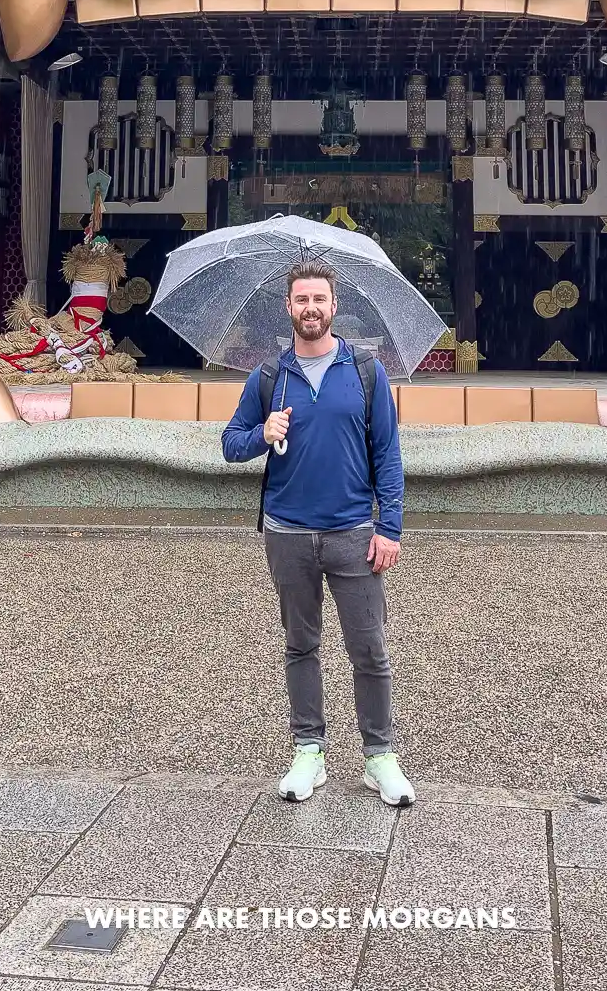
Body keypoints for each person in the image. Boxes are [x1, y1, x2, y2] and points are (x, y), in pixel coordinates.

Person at [221, 261, 413, 806]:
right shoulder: (268, 377)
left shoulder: (366, 372)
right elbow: (230, 444)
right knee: (300, 645)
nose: (311, 308)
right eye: (301, 299)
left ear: (334, 306)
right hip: (287, 532)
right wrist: (262, 432)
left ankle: (380, 757)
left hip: (354, 530)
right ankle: (309, 750)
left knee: (369, 647)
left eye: (320, 299)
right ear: (289, 307)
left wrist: (390, 526)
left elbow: (388, 456)